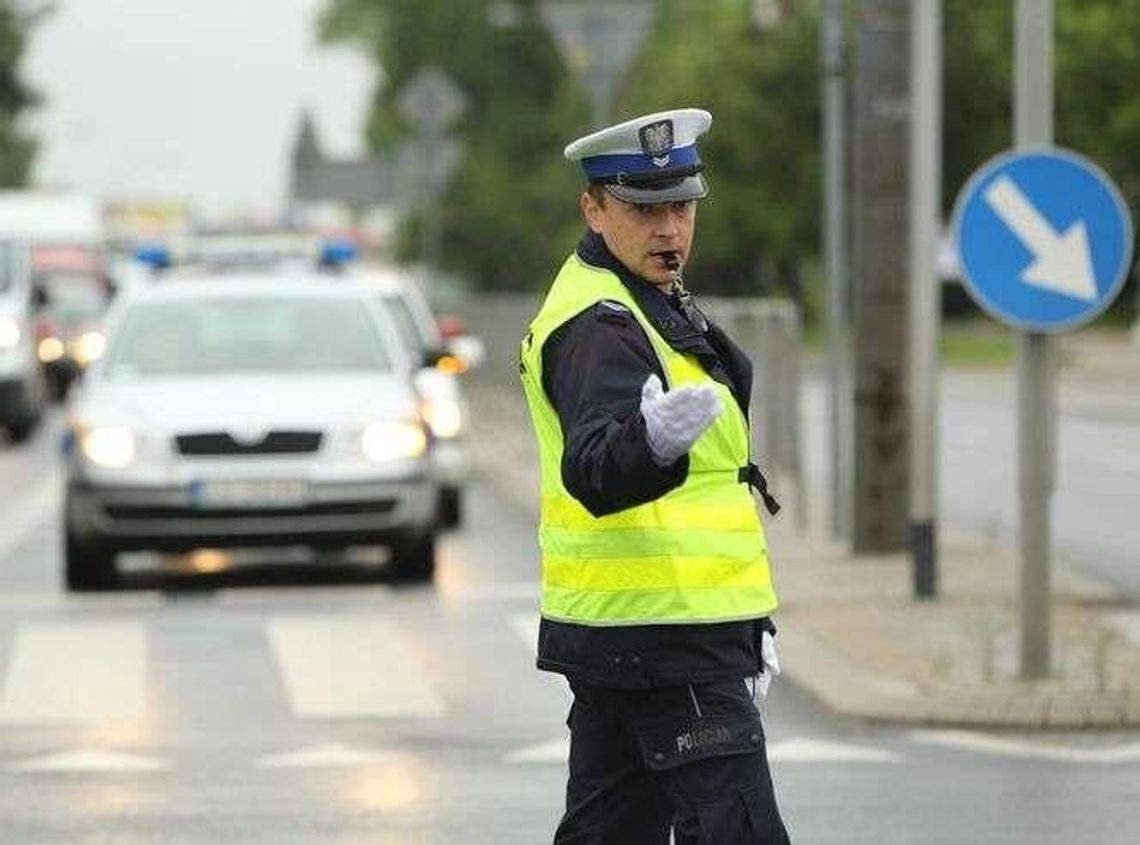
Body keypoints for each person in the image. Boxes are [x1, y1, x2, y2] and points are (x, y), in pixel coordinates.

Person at [518, 108, 791, 844]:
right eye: (644, 208)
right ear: (594, 207)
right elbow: (597, 466)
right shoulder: (598, 324)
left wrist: (744, 622)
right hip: (665, 638)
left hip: (641, 631)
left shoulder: (646, 294)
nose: (669, 228)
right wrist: (650, 444)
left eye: (681, 206)